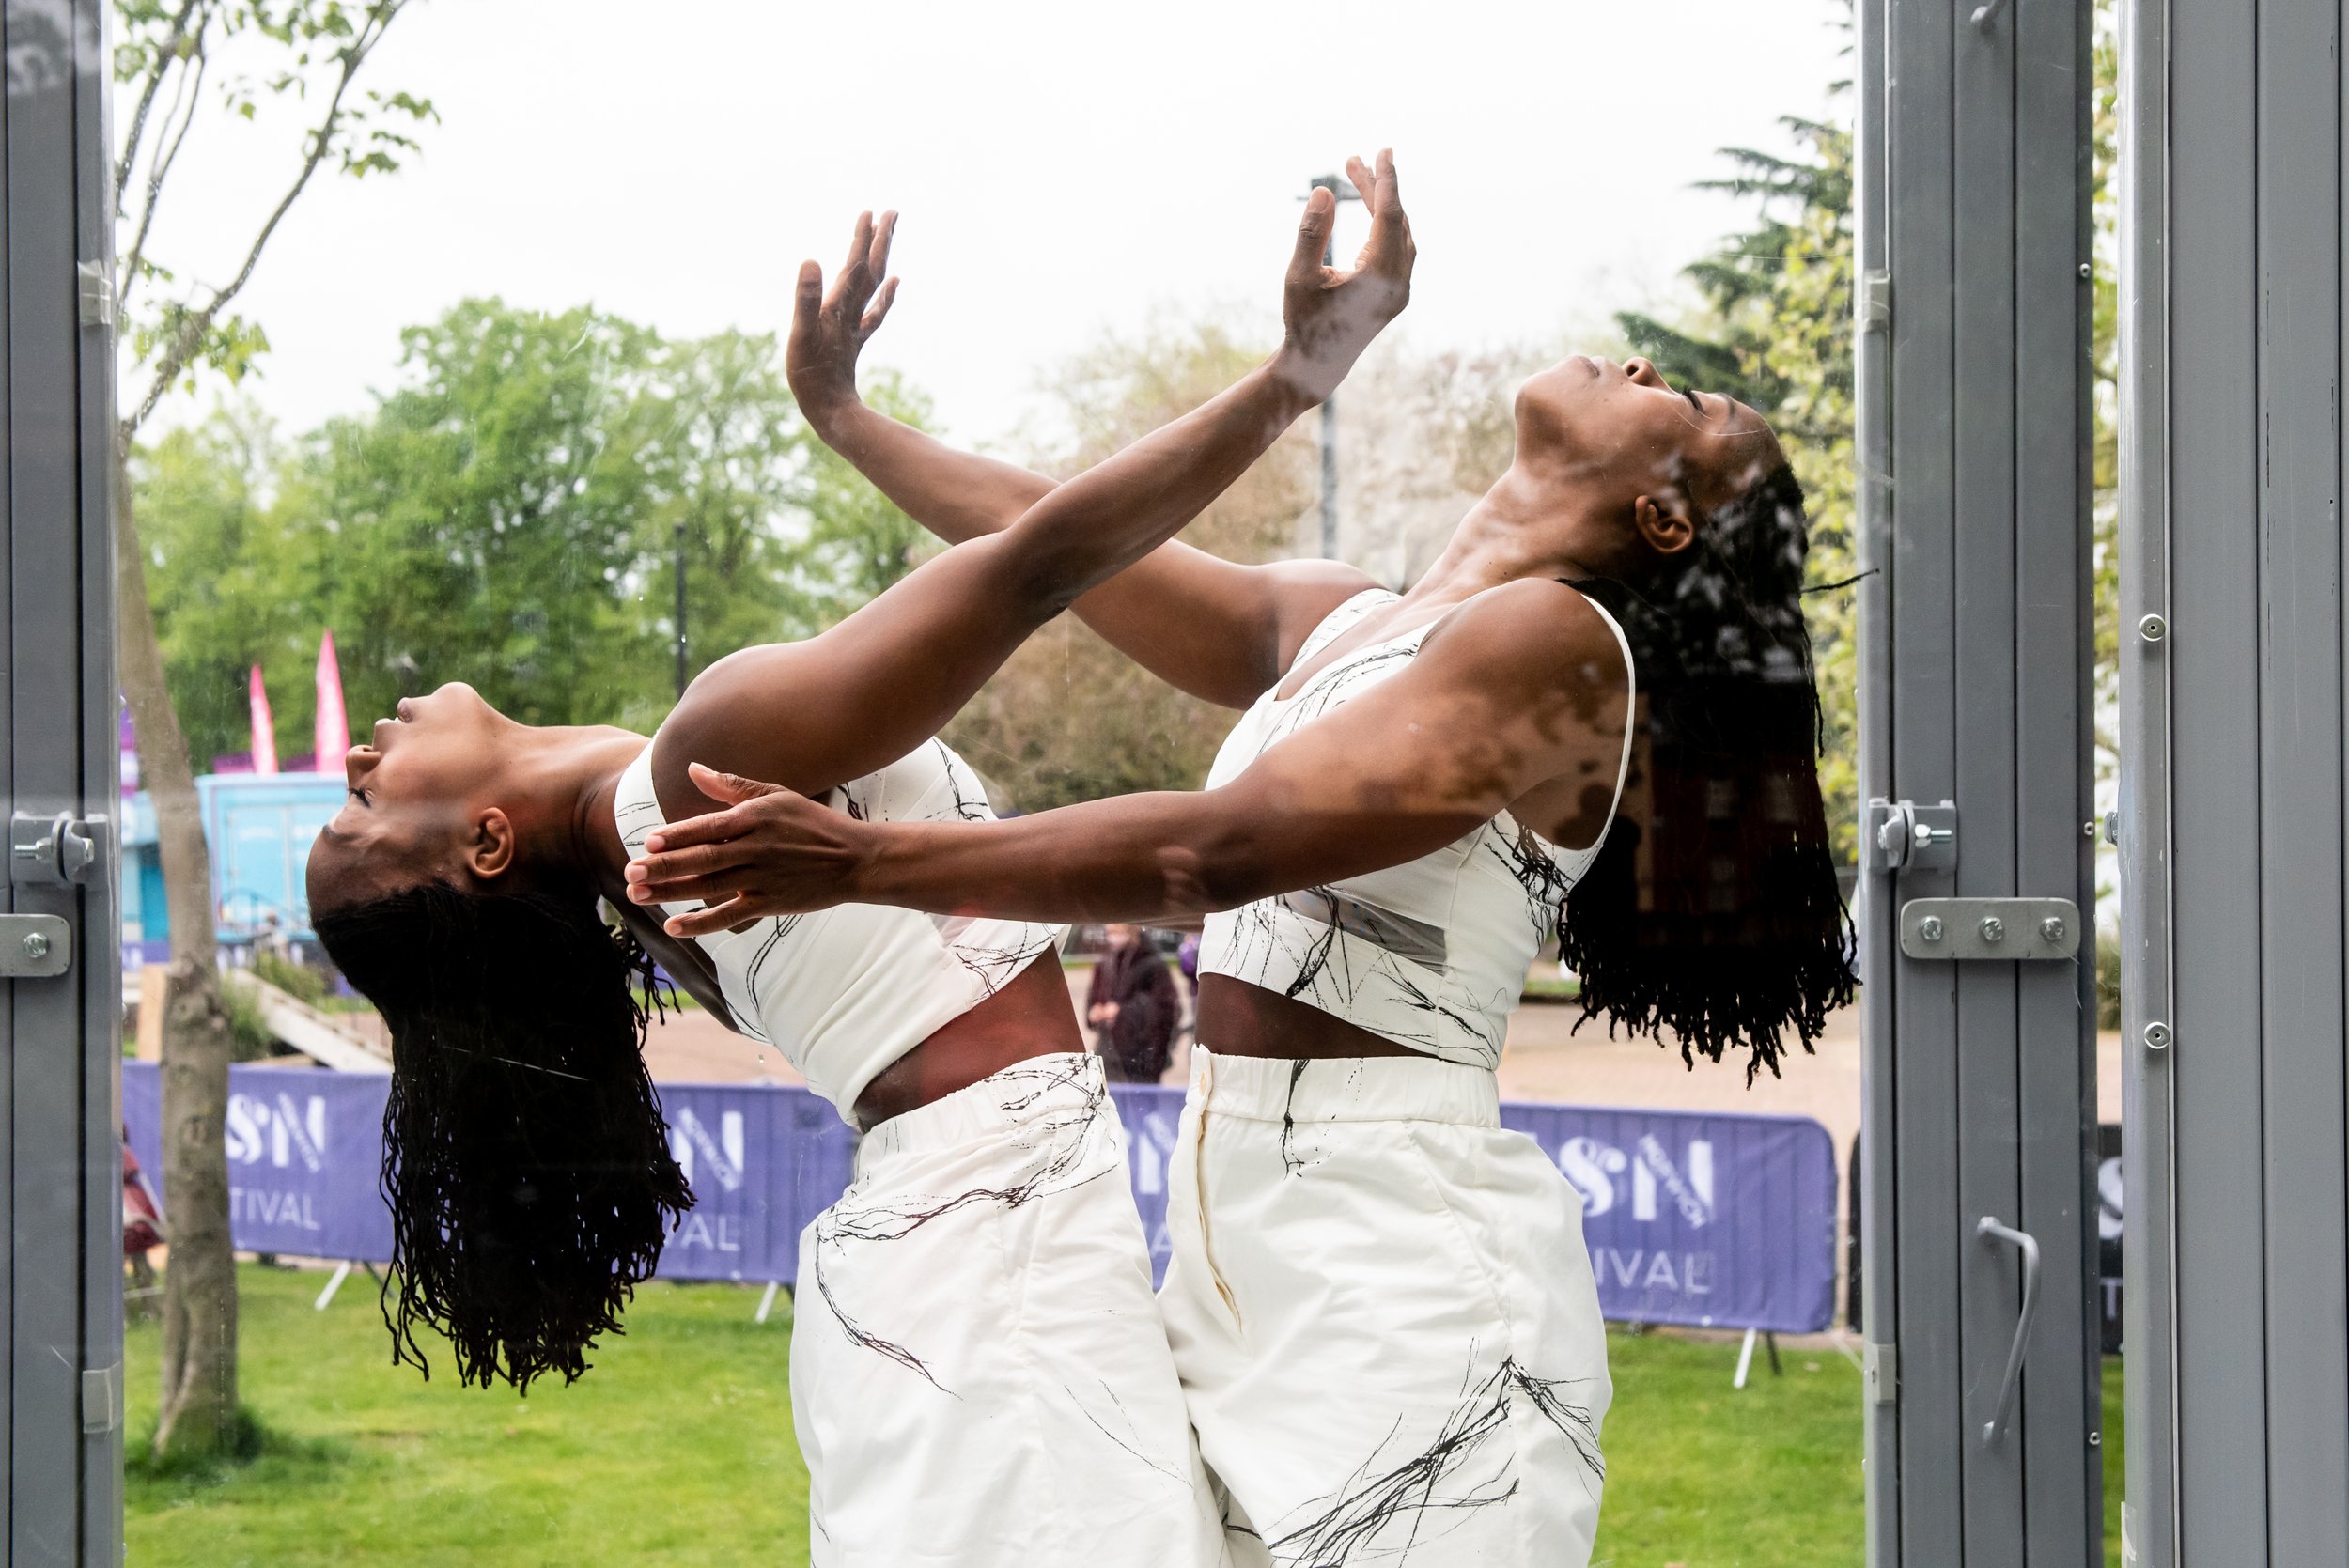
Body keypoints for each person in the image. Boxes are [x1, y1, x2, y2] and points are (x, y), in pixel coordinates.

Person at [624, 290, 1855, 1562]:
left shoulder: (1561, 644)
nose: (1653, 364)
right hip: (1247, 1256)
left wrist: (867, 859)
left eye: (1695, 408)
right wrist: (848, 419)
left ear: (1661, 515)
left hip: (1405, 1270)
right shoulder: (1344, 622)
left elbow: (1217, 849)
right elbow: (1043, 546)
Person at [305, 163, 1411, 1568]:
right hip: (984, 1267)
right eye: (361, 816)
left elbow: (1027, 559)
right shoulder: (707, 758)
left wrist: (848, 421)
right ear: (480, 843)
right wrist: (1295, 375)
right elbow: (1039, 565)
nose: (355, 767)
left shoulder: (657, 889)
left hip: (951, 1252)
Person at [1085, 924, 1178, 1082]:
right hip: (1109, 1052)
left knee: (1142, 1103)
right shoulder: (1104, 963)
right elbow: (1094, 999)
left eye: (1117, 931)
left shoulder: (1152, 963)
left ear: (1130, 931)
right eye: (1109, 932)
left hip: (1142, 1056)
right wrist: (1094, 1012)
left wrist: (1122, 1012)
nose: (1112, 936)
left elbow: (1165, 1008)